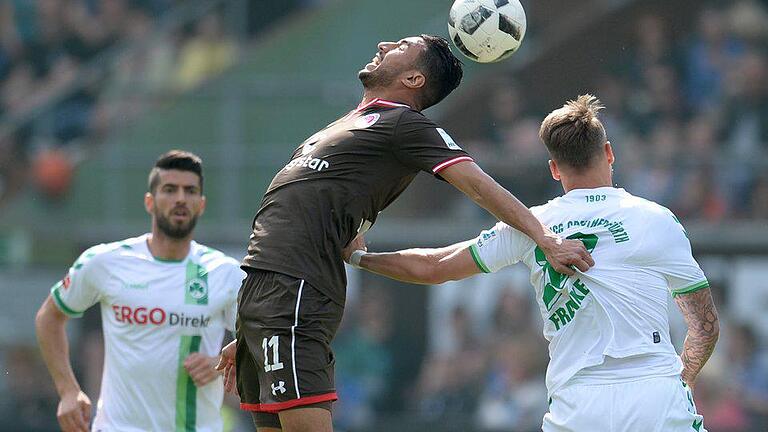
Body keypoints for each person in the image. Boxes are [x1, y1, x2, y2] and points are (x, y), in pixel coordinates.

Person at [215, 34, 593, 432]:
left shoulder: (404, 123)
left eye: (400, 46)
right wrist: (255, 326)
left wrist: (544, 238)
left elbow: (479, 185)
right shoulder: (348, 124)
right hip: (263, 295)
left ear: (414, 79)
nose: (382, 44)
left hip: (296, 288)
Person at [342, 95, 720, 431]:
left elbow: (436, 265)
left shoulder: (530, 225)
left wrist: (361, 257)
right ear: (608, 153)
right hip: (653, 394)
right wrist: (679, 381)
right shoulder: (656, 219)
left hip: (577, 405)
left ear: (554, 169)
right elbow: (704, 326)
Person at [35, 150, 245, 432]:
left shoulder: (226, 272)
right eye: (170, 190)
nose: (181, 198)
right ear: (150, 201)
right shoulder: (105, 261)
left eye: (190, 191)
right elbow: (49, 317)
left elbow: (260, 345)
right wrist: (68, 391)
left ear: (201, 204)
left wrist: (220, 361)